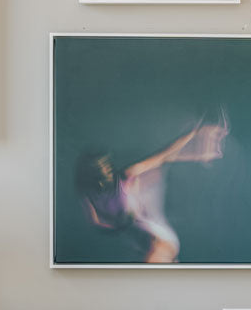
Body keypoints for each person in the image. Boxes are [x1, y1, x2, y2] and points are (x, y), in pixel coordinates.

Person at [75, 111, 229, 263]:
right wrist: (121, 223)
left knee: (152, 263)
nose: (105, 180)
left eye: (107, 172)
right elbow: (97, 223)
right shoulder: (87, 194)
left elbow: (163, 155)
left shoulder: (125, 177)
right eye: (100, 178)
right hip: (140, 244)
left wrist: (192, 133)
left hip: (157, 237)